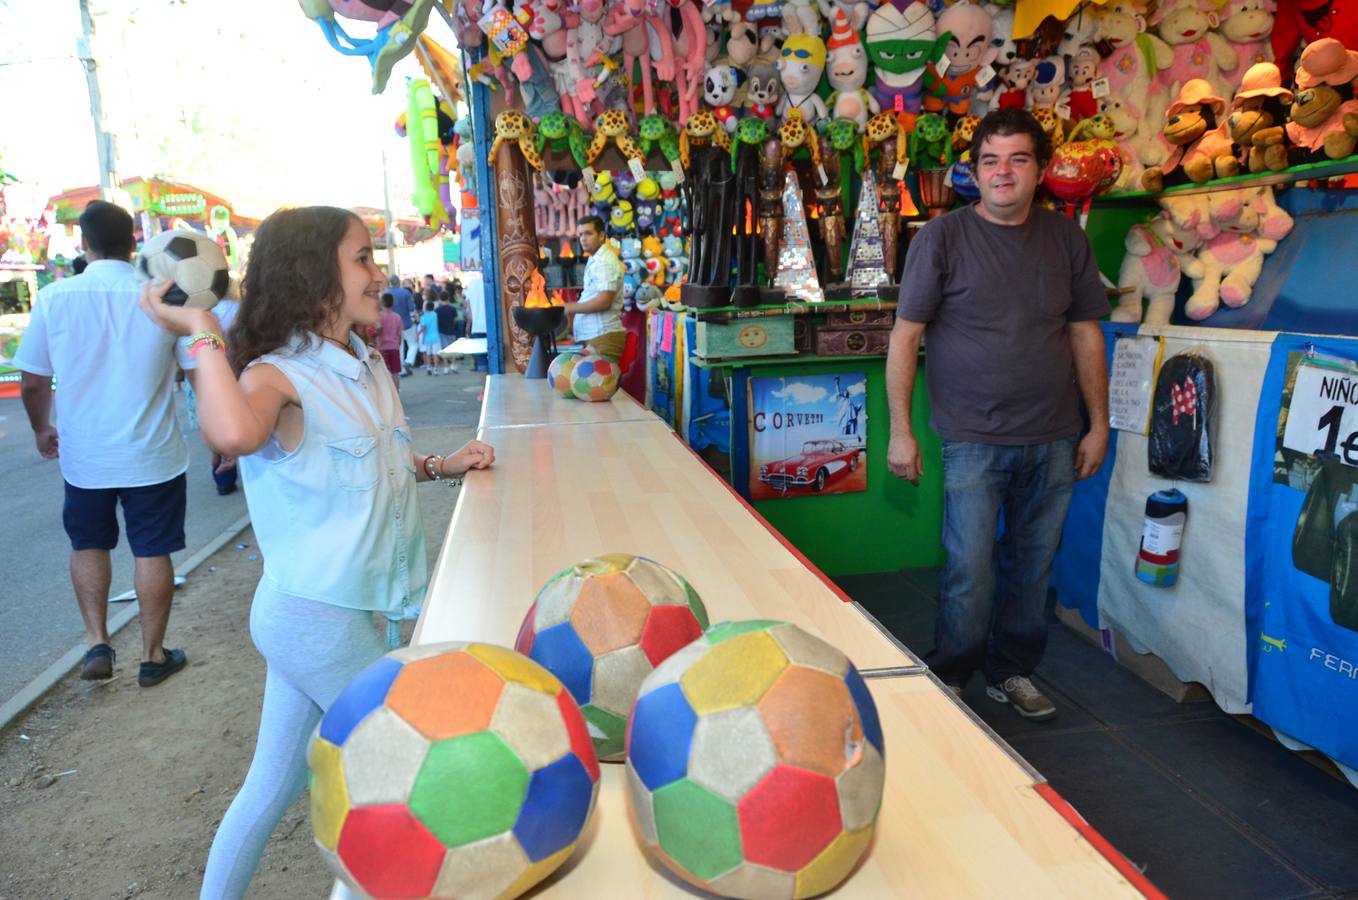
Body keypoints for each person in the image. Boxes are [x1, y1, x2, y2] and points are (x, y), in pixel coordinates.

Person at [136, 206, 494, 899]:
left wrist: (438, 465)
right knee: (396, 774)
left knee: (271, 789)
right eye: (362, 257)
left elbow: (362, 467)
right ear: (312, 272)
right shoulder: (275, 376)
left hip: (360, 611)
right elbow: (232, 434)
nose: (378, 272)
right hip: (320, 619)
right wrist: (203, 333)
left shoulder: (363, 364)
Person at [886, 108, 1110, 721]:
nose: (1003, 172)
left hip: (1055, 437)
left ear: (1039, 171)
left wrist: (1099, 423)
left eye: (1017, 159)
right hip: (972, 440)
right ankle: (952, 675)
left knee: (1033, 568)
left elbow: (1085, 333)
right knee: (969, 570)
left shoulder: (1068, 240)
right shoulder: (941, 238)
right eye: (990, 160)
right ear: (975, 172)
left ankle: (1011, 671)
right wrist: (902, 432)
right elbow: (905, 337)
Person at [14, 200, 193, 687]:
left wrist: (41, 428)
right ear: (133, 241)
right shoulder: (163, 296)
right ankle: (153, 656)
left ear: (84, 243)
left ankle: (97, 641)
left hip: (85, 457)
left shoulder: (56, 297)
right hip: (153, 454)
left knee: (88, 542)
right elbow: (198, 369)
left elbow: (33, 381)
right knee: (152, 549)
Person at [567, 215, 626, 361]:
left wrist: (568, 308)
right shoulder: (596, 259)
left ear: (601, 236)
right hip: (598, 336)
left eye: (588, 233)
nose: (583, 239)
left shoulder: (604, 261)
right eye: (580, 234)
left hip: (603, 336)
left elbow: (604, 301)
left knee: (597, 384)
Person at [387, 275, 417, 376]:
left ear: (390, 282)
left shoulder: (386, 293)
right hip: (407, 323)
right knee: (413, 344)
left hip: (392, 325)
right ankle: (408, 362)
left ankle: (401, 370)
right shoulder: (406, 293)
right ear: (399, 282)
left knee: (399, 347)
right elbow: (411, 308)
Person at [377, 291, 404, 389]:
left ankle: (386, 395)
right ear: (393, 303)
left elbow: (378, 330)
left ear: (382, 302)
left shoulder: (379, 316)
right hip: (394, 346)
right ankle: (396, 393)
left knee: (383, 373)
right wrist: (398, 343)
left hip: (382, 347)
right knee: (395, 373)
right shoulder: (397, 317)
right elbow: (399, 334)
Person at [435, 291, 460, 374]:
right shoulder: (452, 309)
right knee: (453, 348)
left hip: (442, 331)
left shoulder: (437, 310)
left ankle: (446, 367)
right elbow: (455, 320)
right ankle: (453, 365)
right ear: (448, 298)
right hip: (451, 330)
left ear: (440, 299)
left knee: (444, 349)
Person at [418, 297, 442, 375]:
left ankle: (428, 367)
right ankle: (435, 369)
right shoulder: (435, 315)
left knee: (428, 353)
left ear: (426, 308)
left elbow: (423, 327)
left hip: (427, 337)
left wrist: (418, 334)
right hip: (436, 336)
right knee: (435, 354)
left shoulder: (423, 317)